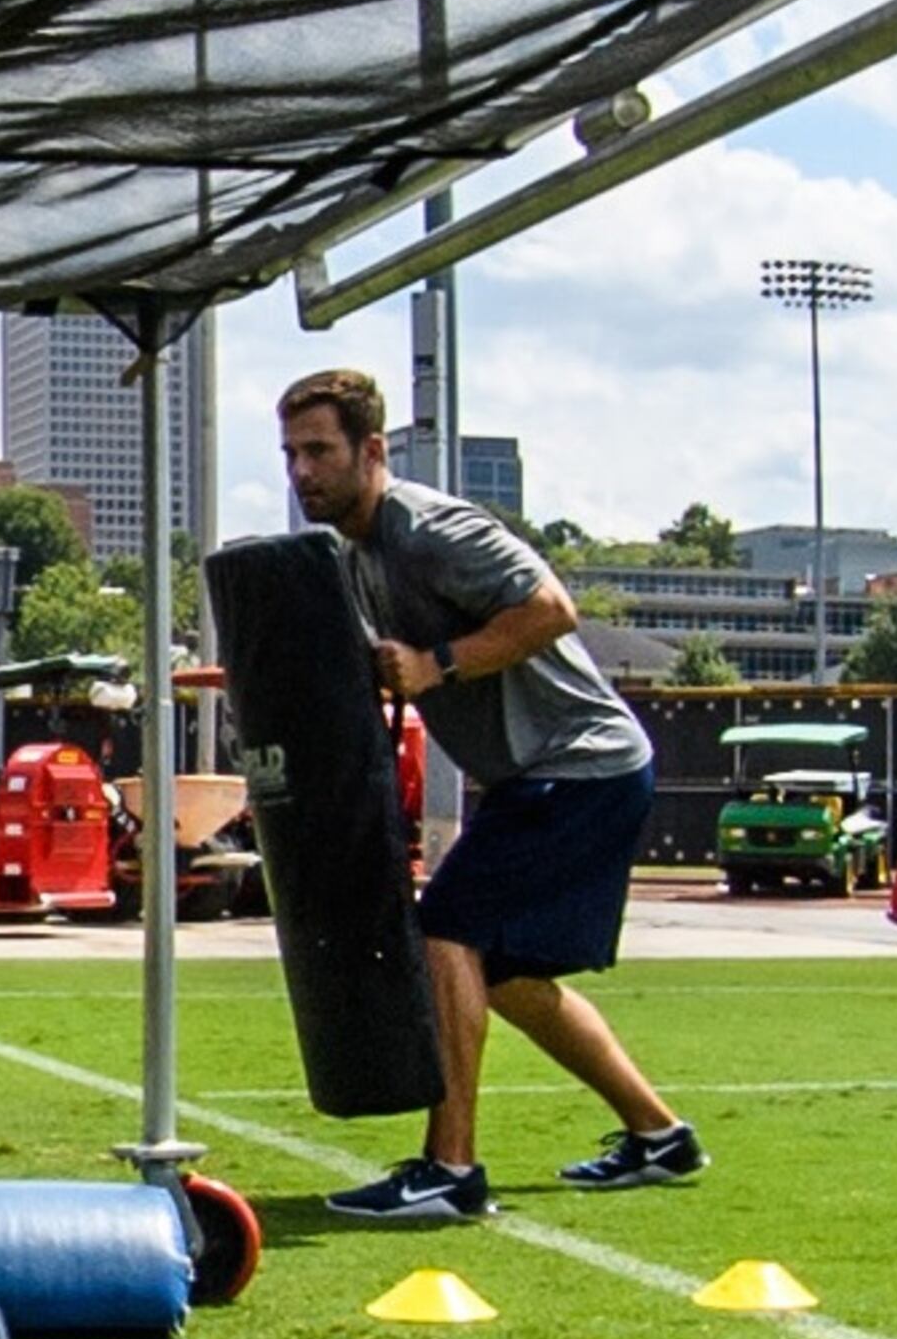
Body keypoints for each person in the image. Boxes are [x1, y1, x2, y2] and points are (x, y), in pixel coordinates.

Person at [278, 367, 699, 1220]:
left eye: (320, 450)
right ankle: (660, 1137)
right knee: (503, 974)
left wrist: (437, 665)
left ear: (372, 449)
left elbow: (551, 608)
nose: (302, 472)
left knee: (448, 933)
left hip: (581, 763)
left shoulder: (431, 529)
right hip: (542, 774)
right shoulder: (358, 556)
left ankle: (451, 1169)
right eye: (290, 454)